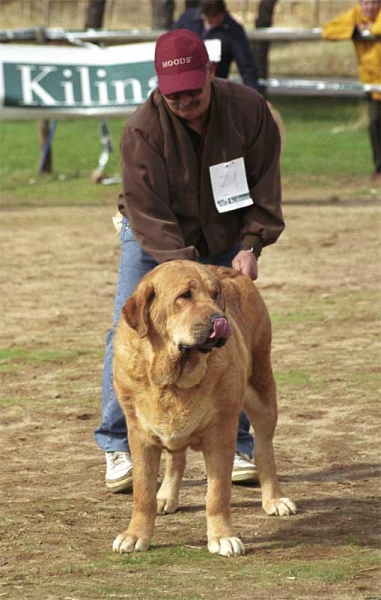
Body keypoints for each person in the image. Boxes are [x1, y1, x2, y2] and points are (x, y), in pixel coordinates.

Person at [94, 29, 284, 493]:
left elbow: (264, 185)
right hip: (153, 239)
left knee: (226, 334)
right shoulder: (143, 129)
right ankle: (120, 443)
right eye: (173, 95)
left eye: (192, 92)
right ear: (159, 86)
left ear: (212, 74)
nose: (183, 102)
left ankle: (234, 439)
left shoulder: (248, 110)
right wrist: (188, 280)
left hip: (224, 235)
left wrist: (251, 244)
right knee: (131, 327)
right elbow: (148, 211)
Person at [322, 0, 381, 181]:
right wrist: (354, 31)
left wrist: (371, 31)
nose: (369, 7)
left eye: (374, 3)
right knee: (375, 124)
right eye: (365, 3)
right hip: (372, 84)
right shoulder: (355, 15)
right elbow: (328, 30)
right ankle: (379, 169)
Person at [172, 0, 262, 94]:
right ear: (204, 14)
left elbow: (246, 66)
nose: (215, 22)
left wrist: (254, 94)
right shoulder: (187, 21)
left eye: (218, 18)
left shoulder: (233, 30)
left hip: (216, 88)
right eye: (211, 18)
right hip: (184, 84)